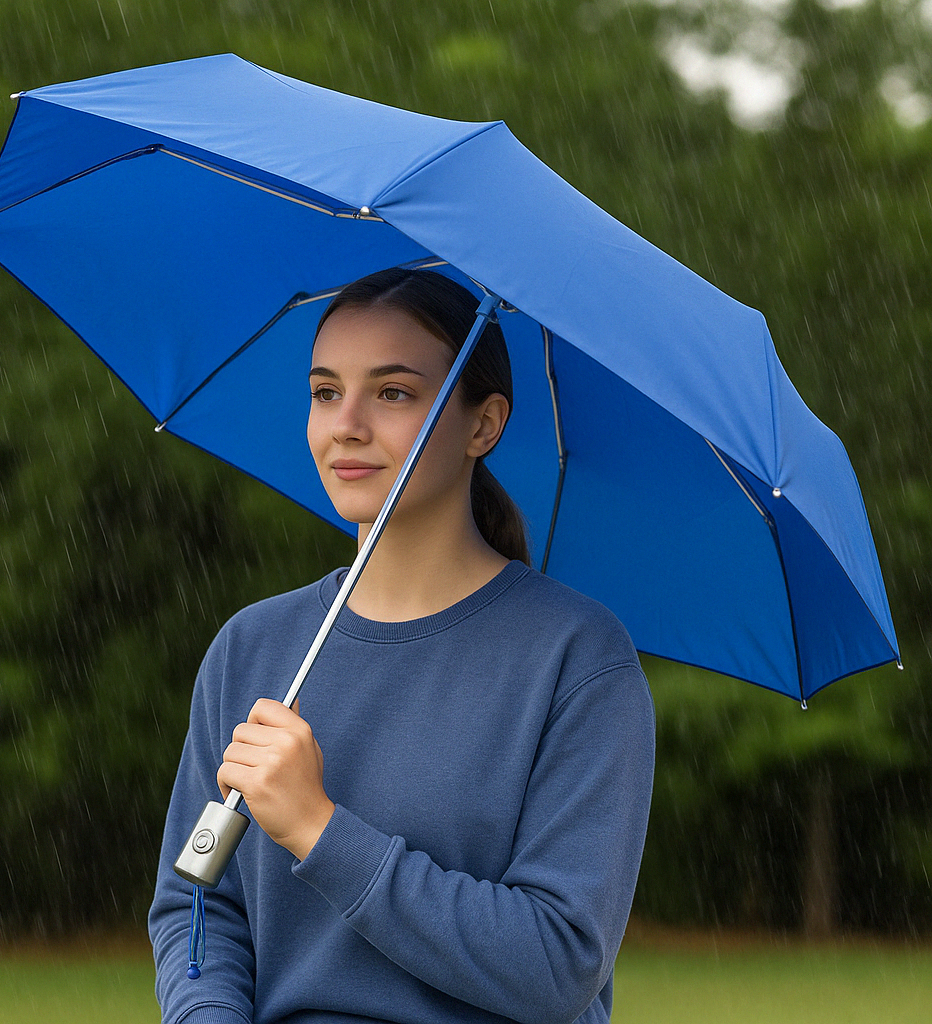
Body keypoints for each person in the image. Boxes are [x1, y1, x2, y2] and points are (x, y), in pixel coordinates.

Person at [148, 268, 655, 1024]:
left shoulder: (576, 661)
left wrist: (318, 828)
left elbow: (557, 965)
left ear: (483, 426)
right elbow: (198, 913)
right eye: (325, 391)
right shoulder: (251, 648)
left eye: (393, 393)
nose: (346, 424)